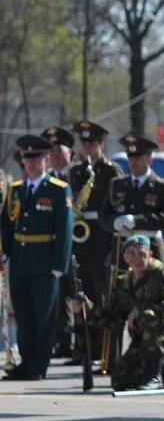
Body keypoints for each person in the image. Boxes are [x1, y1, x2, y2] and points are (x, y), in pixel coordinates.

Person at [1, 135, 72, 381]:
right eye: (27, 157)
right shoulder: (15, 190)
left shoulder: (57, 190)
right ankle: (26, 361)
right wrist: (5, 252)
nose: (31, 162)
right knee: (23, 316)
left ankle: (39, 365)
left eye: (36, 157)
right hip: (20, 263)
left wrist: (58, 265)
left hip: (45, 264)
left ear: (47, 159)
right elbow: (7, 226)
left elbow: (64, 230)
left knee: (45, 317)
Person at [78, 234, 164, 391]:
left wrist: (139, 311)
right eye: (132, 254)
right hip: (143, 337)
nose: (137, 258)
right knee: (120, 381)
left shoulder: (163, 275)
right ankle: (162, 365)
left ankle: (154, 376)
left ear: (150, 254)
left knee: (148, 316)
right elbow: (114, 319)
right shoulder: (124, 282)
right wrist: (88, 308)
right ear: (125, 257)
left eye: (142, 254)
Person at [68, 120, 120, 365]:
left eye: (92, 142)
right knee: (81, 295)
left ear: (101, 144)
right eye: (84, 142)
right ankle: (83, 348)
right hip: (81, 239)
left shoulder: (111, 171)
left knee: (100, 297)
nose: (87, 146)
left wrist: (113, 248)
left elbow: (115, 211)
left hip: (100, 238)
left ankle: (102, 349)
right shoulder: (76, 170)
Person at [100, 134, 164, 263]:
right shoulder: (116, 184)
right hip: (122, 249)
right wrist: (113, 221)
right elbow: (103, 214)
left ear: (149, 159)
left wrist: (137, 221)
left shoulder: (163, 187)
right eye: (130, 158)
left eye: (138, 158)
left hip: (150, 249)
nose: (133, 162)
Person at [42, 126, 76, 360]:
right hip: (53, 246)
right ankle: (61, 341)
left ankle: (81, 342)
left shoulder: (81, 174)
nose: (54, 154)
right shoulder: (47, 180)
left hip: (81, 246)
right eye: (50, 150)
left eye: (59, 150)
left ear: (70, 153)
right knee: (58, 295)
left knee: (77, 295)